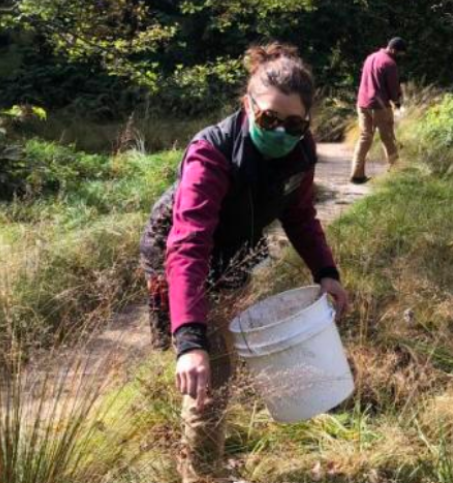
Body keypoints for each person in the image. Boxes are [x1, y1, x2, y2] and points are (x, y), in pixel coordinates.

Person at [138, 43, 351, 483]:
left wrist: (326, 273)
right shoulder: (211, 152)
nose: (280, 131)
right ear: (246, 105)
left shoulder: (300, 151)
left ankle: (206, 452)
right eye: (269, 119)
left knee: (226, 357)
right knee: (207, 373)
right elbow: (189, 245)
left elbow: (300, 214)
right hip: (178, 252)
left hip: (235, 251)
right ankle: (202, 474)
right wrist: (190, 340)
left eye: (294, 123)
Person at [350, 37, 407, 184]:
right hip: (379, 106)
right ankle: (395, 172)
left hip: (362, 104)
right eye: (400, 54)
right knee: (387, 137)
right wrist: (397, 103)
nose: (400, 57)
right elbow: (393, 89)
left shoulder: (371, 57)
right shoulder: (390, 64)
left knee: (364, 138)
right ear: (394, 49)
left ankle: (357, 174)